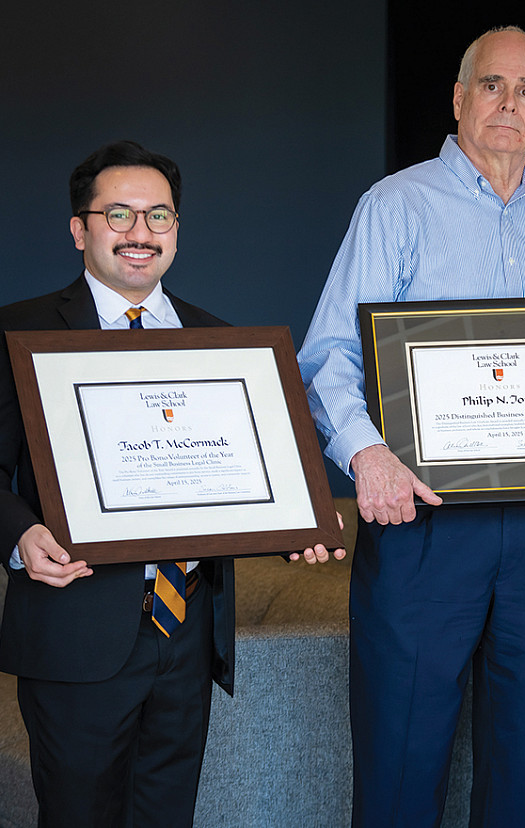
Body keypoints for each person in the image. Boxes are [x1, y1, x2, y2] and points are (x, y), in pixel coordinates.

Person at [297, 26, 525, 828]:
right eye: (492, 85)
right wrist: (368, 454)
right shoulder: (395, 204)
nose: (508, 103)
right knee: (401, 766)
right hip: (424, 523)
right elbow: (328, 355)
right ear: (458, 99)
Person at [0, 140, 341, 828]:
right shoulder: (20, 330)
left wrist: (295, 531)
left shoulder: (219, 338)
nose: (140, 234)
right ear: (80, 229)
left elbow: (244, 475)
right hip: (76, 633)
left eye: (159, 217)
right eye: (118, 214)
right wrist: (19, 536)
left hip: (186, 636)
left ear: (176, 230)